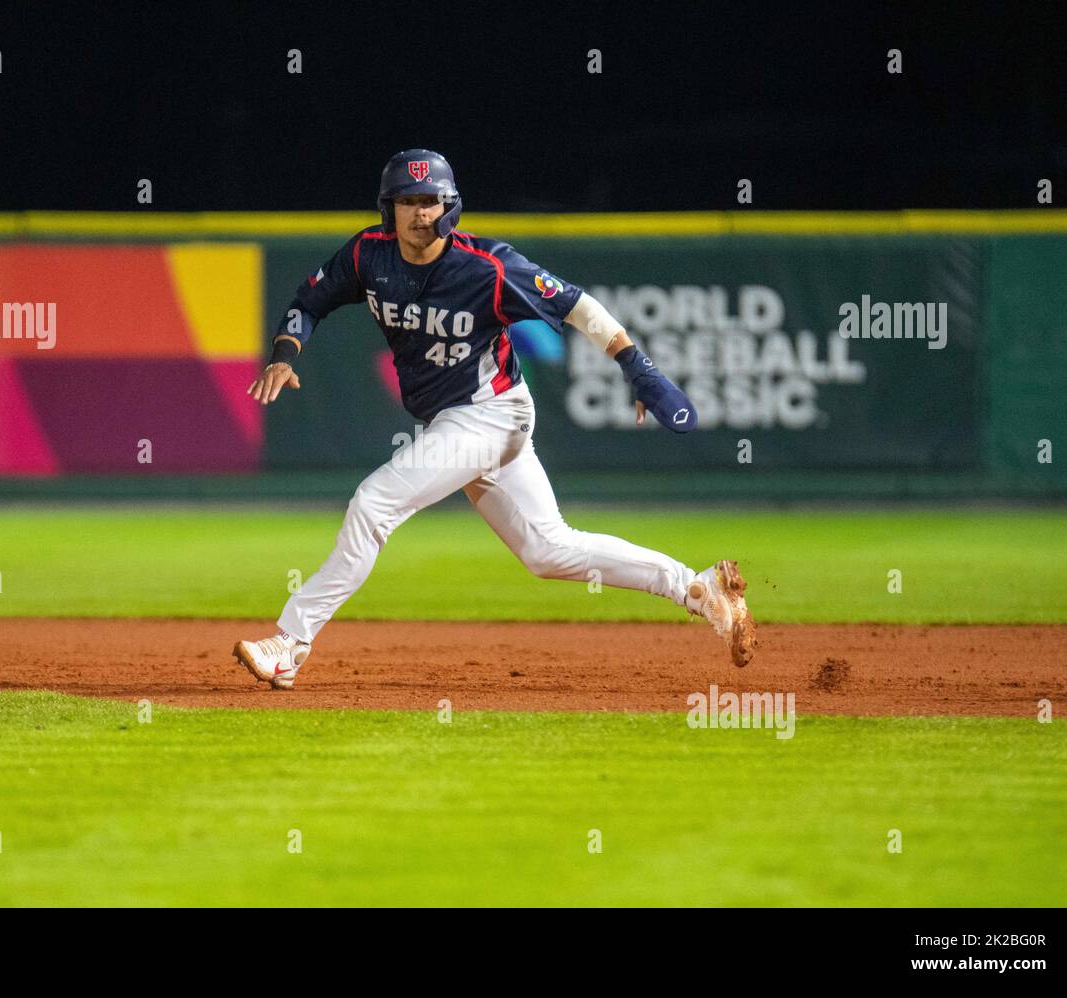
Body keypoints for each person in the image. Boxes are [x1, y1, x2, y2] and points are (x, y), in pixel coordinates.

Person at [234, 149, 754, 689]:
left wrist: (637, 367)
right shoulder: (369, 255)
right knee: (548, 551)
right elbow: (310, 299)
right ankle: (696, 587)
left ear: (450, 206)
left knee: (374, 502)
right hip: (458, 421)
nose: (420, 213)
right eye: (407, 201)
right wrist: (284, 352)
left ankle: (290, 642)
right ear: (389, 209)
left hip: (491, 414)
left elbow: (577, 305)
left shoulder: (487, 266)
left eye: (431, 200)